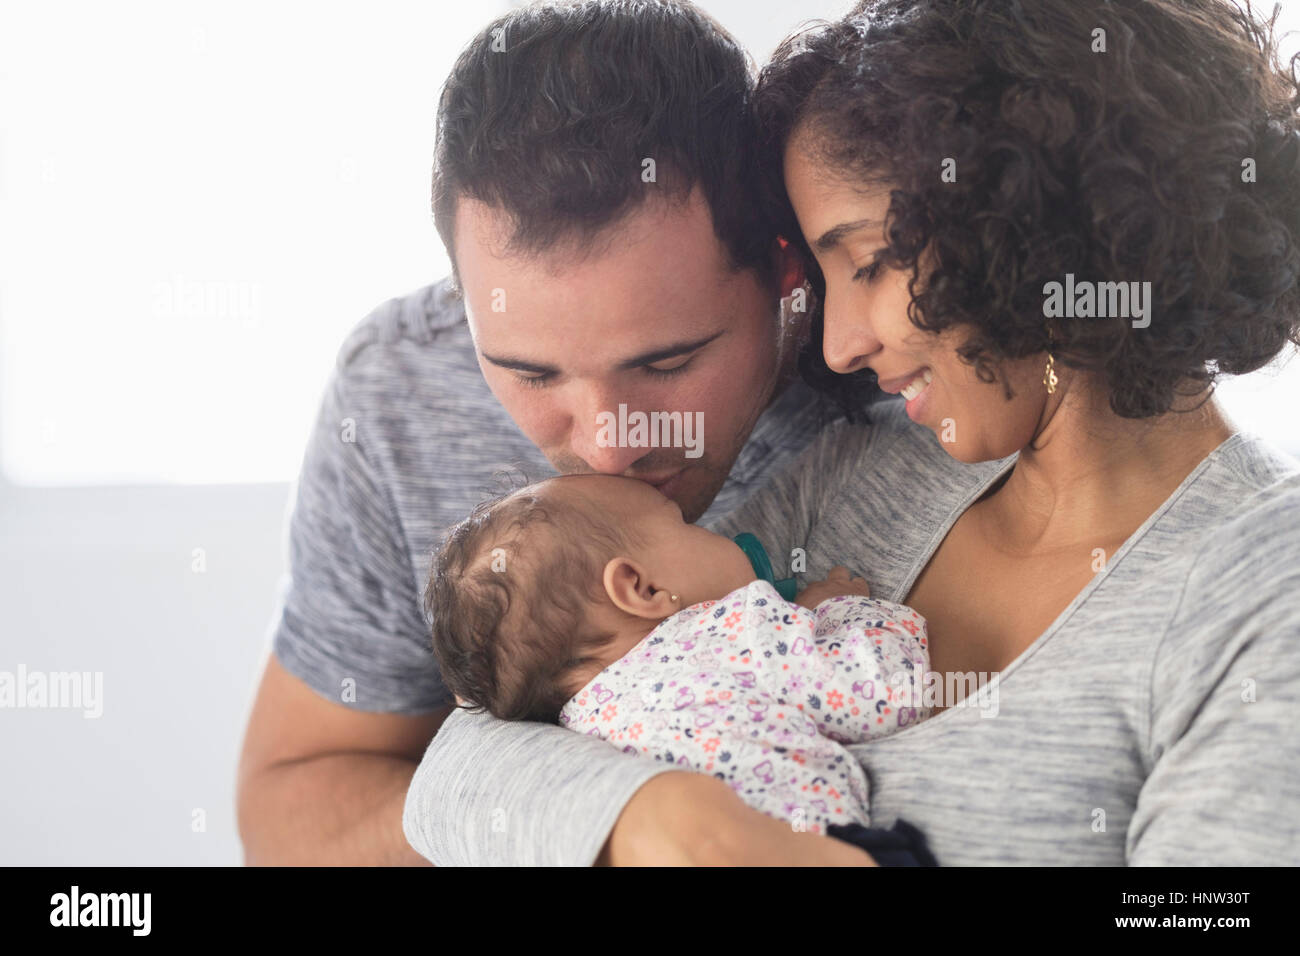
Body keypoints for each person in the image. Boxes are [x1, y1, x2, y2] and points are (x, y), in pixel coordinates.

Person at [403, 0, 1300, 865]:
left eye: (869, 263)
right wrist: (657, 820)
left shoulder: (1264, 580)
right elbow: (471, 758)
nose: (835, 346)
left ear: (1044, 233)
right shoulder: (864, 475)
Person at [235, 0, 848, 866]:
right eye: (529, 373)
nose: (606, 446)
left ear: (787, 274)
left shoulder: (897, 371)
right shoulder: (398, 394)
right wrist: (611, 811)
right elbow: (286, 811)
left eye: (668, 362)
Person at [425, 472, 933, 839]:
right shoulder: (738, 627)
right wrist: (839, 612)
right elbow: (885, 697)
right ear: (642, 588)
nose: (716, 532)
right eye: (687, 524)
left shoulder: (574, 723)